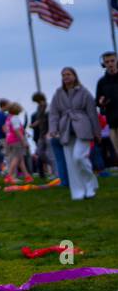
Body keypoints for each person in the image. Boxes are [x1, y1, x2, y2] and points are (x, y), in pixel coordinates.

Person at [49, 67, 101, 201]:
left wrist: (97, 132)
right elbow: (54, 113)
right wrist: (53, 129)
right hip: (65, 129)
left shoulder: (84, 93)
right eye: (63, 75)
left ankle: (90, 184)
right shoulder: (58, 94)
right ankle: (78, 192)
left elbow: (92, 113)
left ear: (74, 76)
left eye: (68, 74)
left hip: (83, 128)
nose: (65, 77)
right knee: (71, 163)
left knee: (79, 157)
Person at [96, 51, 118, 165]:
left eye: (112, 61)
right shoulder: (102, 82)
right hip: (112, 121)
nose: (110, 64)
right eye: (107, 62)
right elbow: (97, 102)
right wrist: (101, 102)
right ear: (104, 64)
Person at [2, 102, 30, 183]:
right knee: (16, 158)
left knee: (20, 158)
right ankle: (9, 176)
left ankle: (27, 176)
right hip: (16, 140)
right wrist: (24, 141)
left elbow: (5, 128)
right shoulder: (15, 118)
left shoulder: (8, 118)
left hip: (9, 140)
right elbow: (17, 130)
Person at [29, 92, 53, 178]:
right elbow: (39, 120)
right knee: (40, 153)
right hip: (41, 134)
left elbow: (51, 120)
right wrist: (33, 125)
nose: (38, 103)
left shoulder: (48, 107)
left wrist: (50, 132)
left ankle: (55, 172)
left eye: (37, 101)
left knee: (50, 154)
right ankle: (48, 169)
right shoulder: (39, 107)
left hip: (48, 133)